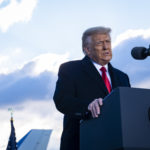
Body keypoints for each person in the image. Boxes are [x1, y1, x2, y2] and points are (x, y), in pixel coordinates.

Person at [53, 26, 131, 150]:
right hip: (81, 143)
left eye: (108, 42)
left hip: (117, 144)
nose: (106, 47)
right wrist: (87, 107)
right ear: (87, 50)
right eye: (100, 43)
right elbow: (62, 100)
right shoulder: (70, 69)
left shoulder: (122, 77)